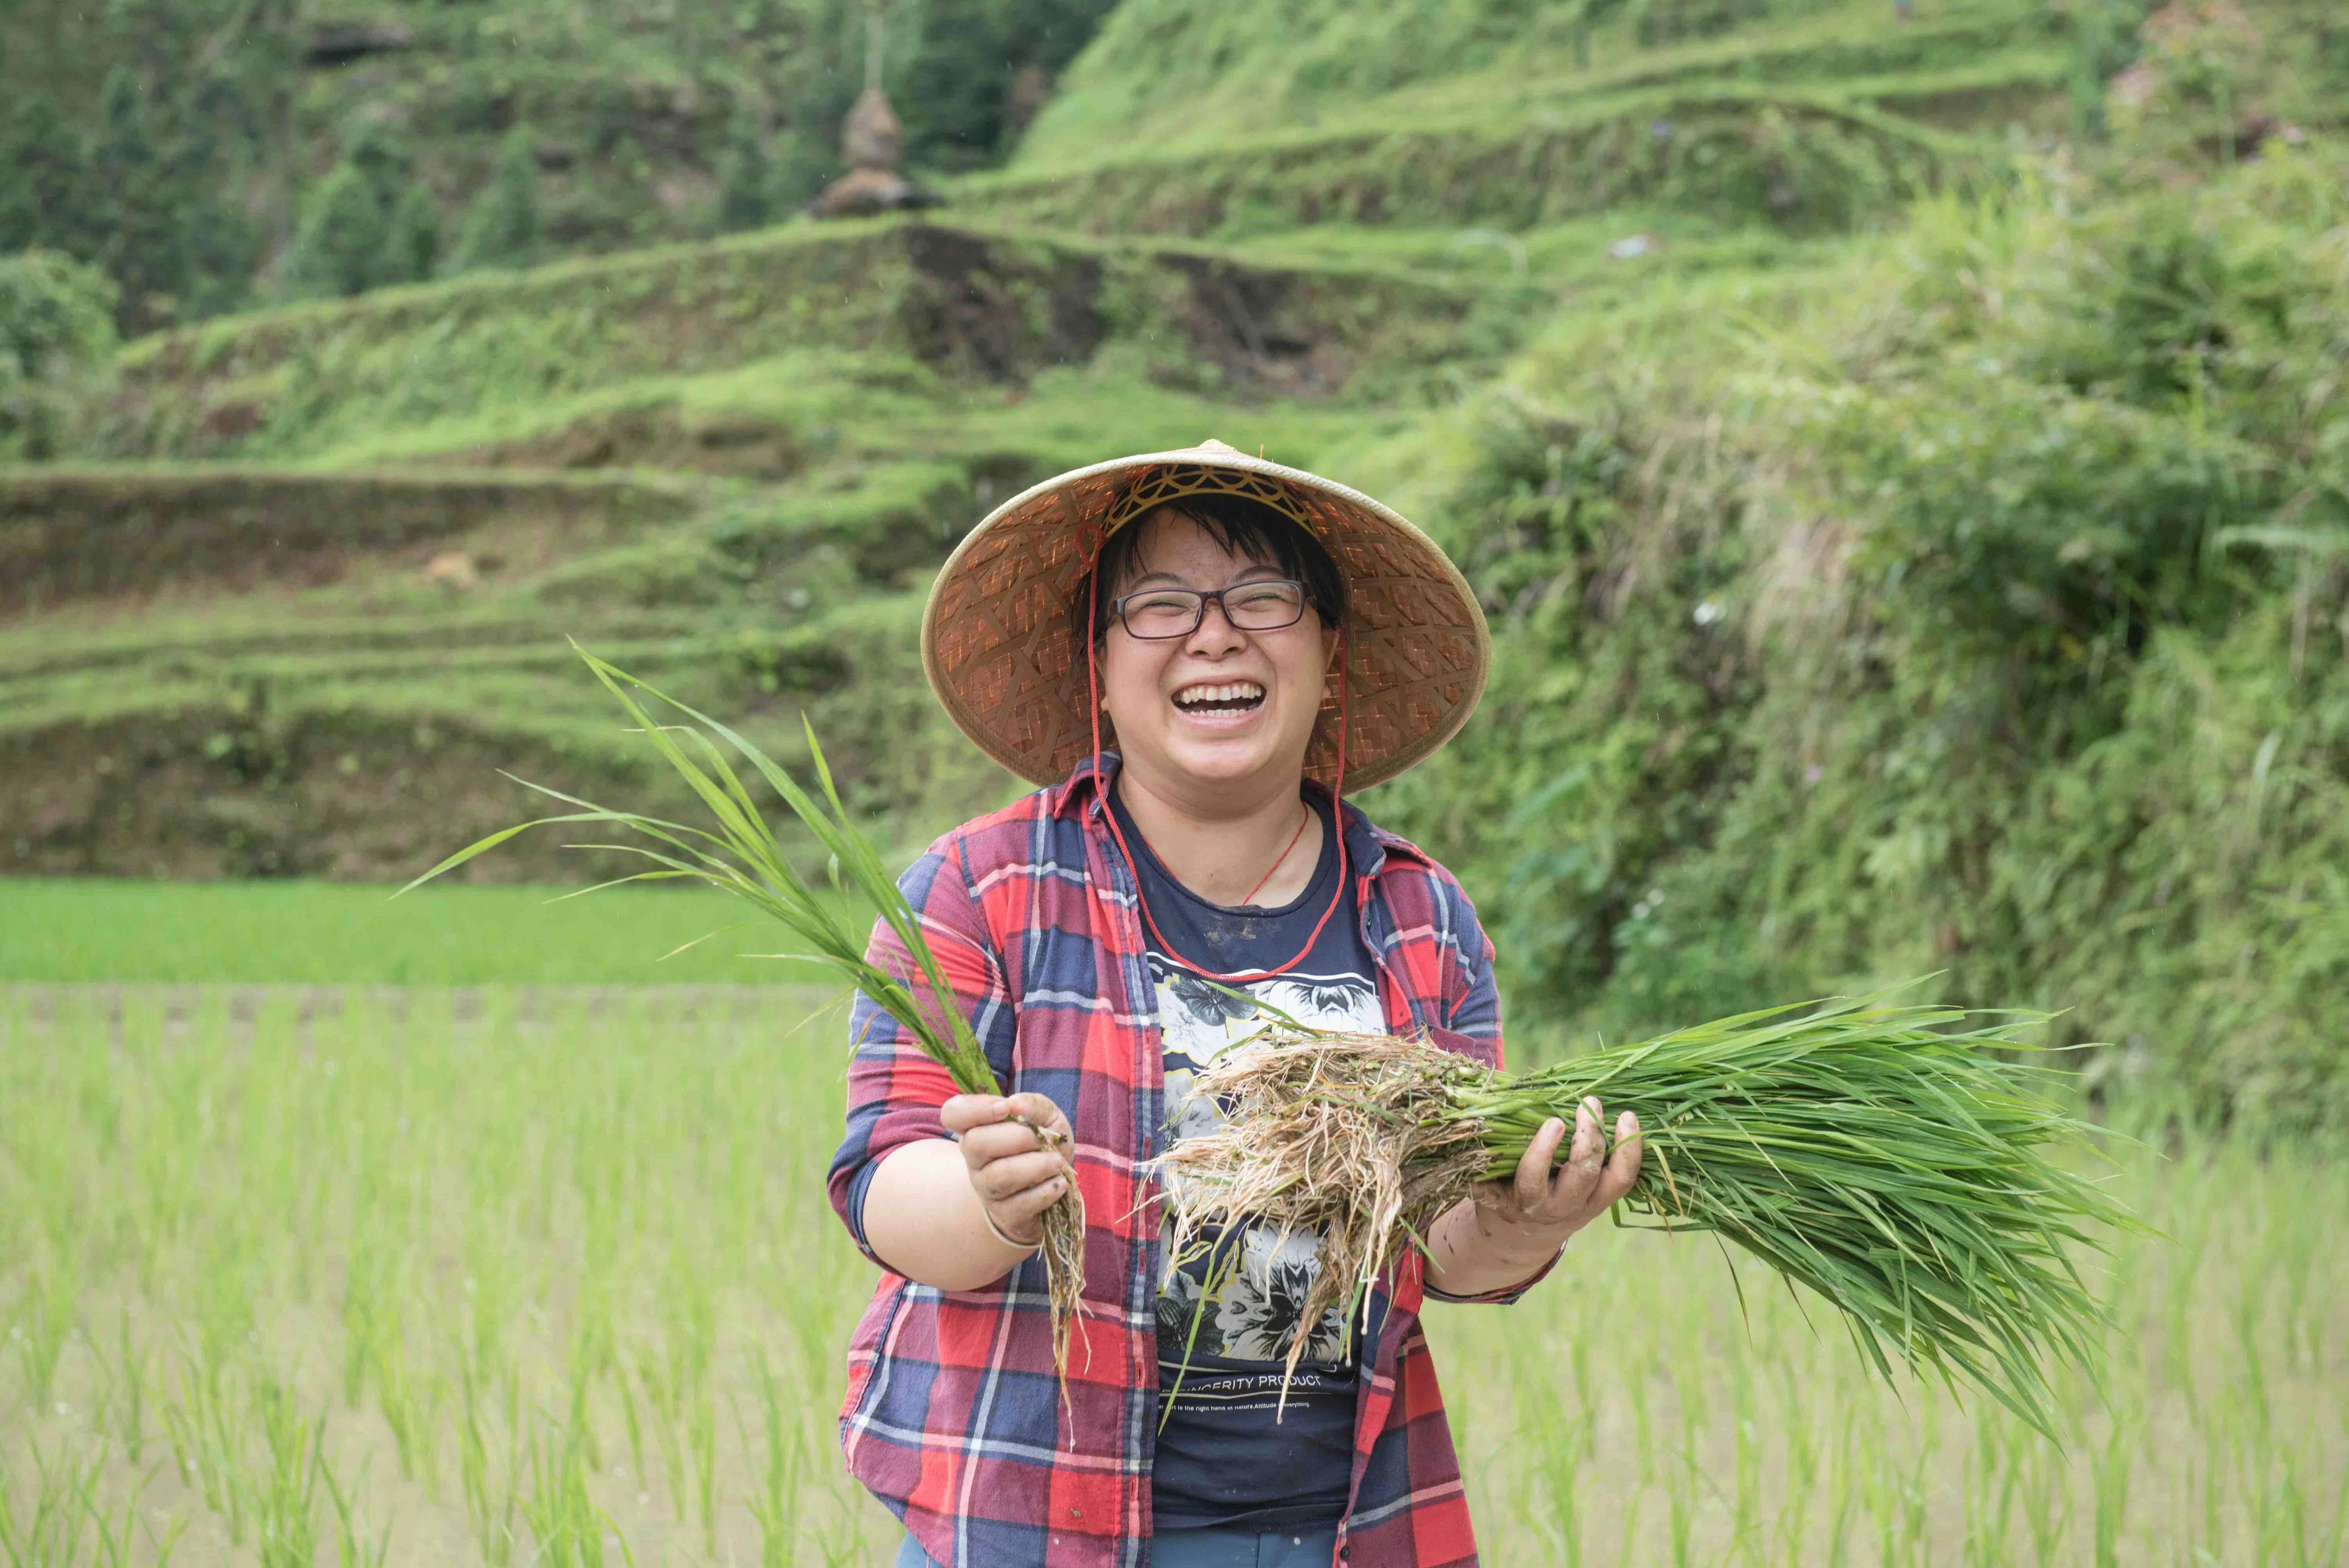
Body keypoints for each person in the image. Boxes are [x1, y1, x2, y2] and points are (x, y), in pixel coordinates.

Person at [827, 441, 1644, 1567]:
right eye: (1160, 607)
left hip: (1337, 1527)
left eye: (1264, 597)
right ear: (1098, 668)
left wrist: (1524, 1220)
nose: (1216, 635)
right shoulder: (984, 889)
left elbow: (1447, 1248)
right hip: (1024, 1527)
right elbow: (883, 1178)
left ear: (1328, 650)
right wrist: (989, 1200)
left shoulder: (1417, 915)